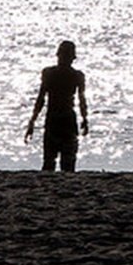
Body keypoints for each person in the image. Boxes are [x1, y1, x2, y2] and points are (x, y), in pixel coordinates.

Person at [25, 40, 89, 172]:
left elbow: (41, 98)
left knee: (54, 160)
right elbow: (41, 98)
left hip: (57, 118)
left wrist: (32, 121)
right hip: (63, 118)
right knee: (61, 160)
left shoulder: (50, 73)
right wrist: (84, 118)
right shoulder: (75, 75)